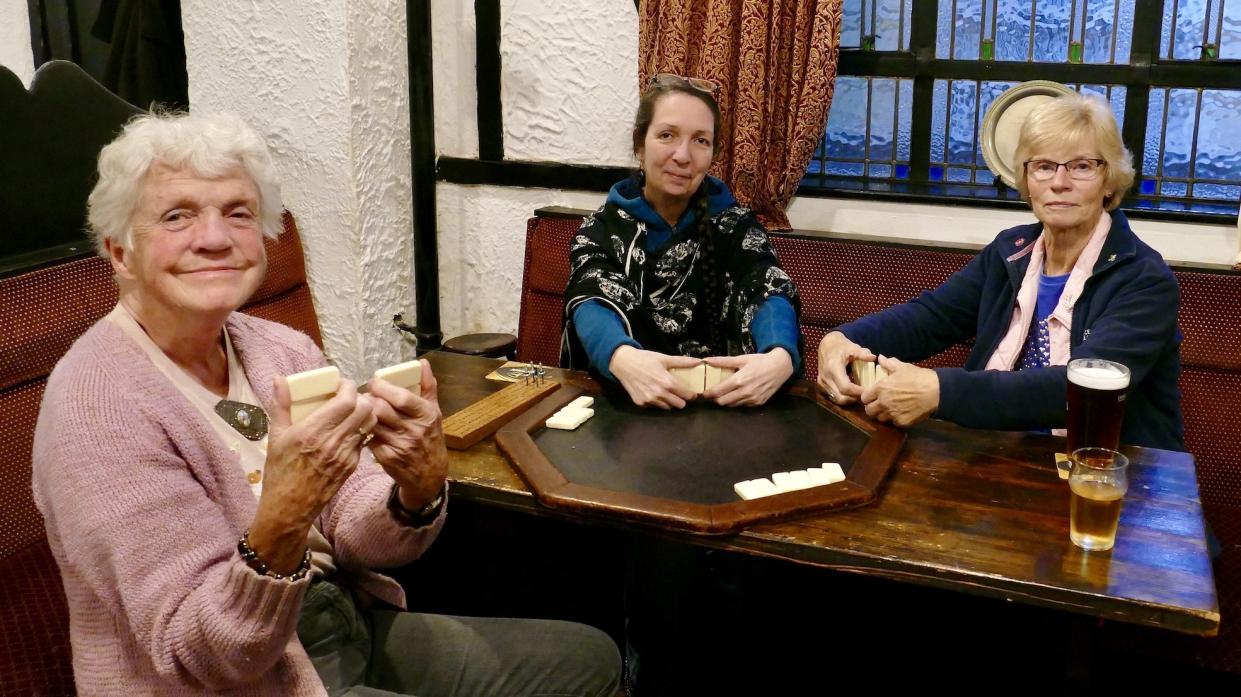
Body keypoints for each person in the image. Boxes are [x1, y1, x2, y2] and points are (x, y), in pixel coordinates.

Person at [31, 112, 620, 696]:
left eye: (238, 213)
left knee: (591, 659)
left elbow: (358, 531)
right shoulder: (96, 406)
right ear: (121, 253)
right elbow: (205, 654)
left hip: (335, 621)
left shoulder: (279, 349)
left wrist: (414, 489)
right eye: (176, 215)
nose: (214, 238)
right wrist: (286, 514)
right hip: (231, 678)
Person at [816, 93, 1183, 451]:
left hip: (1110, 474)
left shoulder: (1144, 279)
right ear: (1027, 180)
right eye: (1043, 166)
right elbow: (930, 317)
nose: (1059, 182)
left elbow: (1082, 389)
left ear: (1109, 180)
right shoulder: (1010, 251)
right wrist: (842, 338)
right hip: (998, 454)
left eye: (1082, 166)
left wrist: (941, 391)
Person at [562, 73, 802, 409]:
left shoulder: (735, 226)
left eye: (700, 141)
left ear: (713, 153)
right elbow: (591, 297)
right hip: (628, 404)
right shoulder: (602, 229)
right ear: (639, 145)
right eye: (666, 135)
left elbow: (764, 285)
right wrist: (621, 357)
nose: (682, 155)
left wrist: (779, 355)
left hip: (721, 407)